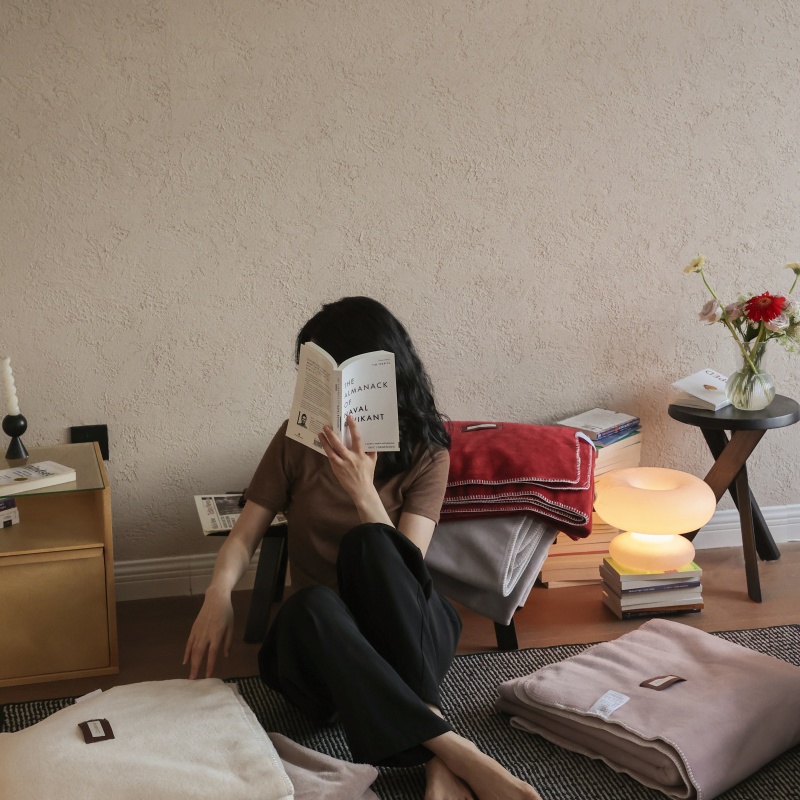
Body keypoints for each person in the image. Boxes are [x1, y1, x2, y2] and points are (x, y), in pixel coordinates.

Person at [184, 297, 541, 800]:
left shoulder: (427, 452)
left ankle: (432, 750)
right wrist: (218, 594)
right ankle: (452, 749)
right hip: (323, 650)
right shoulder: (295, 440)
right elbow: (244, 536)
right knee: (312, 603)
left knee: (371, 542)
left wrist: (362, 491)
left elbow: (405, 569)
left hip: (405, 639)